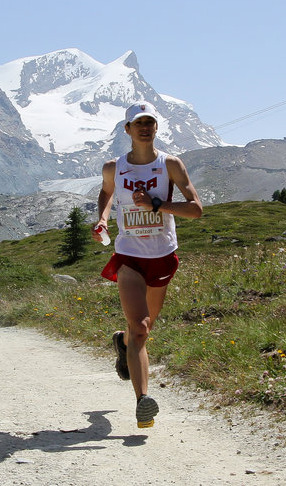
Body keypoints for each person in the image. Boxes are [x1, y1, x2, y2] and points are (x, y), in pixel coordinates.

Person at [92, 101, 202, 428]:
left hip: (163, 255)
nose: (144, 127)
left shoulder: (171, 165)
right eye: (137, 122)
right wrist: (100, 219)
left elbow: (195, 209)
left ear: (156, 127)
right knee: (140, 326)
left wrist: (159, 204)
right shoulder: (114, 167)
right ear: (127, 130)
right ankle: (143, 401)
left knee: (144, 329)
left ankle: (121, 343)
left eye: (149, 122)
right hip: (129, 256)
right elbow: (106, 192)